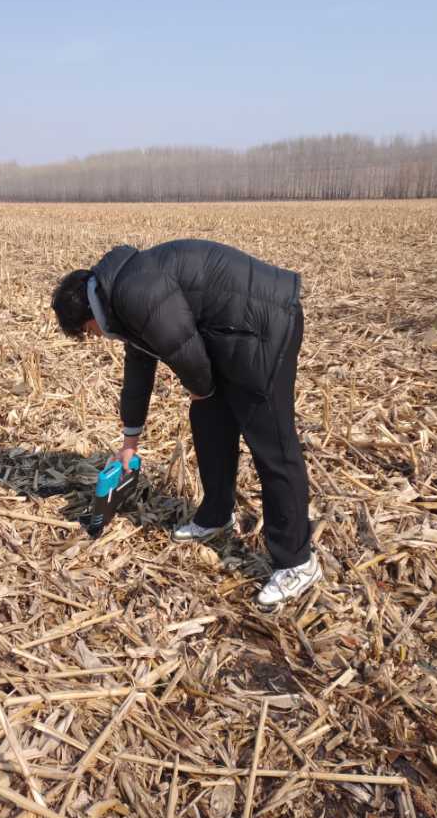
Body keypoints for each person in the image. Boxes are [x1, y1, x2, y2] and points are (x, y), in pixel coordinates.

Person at [51, 239, 322, 608]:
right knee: (207, 418)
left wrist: (201, 388)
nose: (95, 338)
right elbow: (140, 366)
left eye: (88, 332)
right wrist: (130, 441)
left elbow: (187, 353)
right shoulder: (118, 296)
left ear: (88, 317)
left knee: (272, 444)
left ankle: (296, 561)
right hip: (231, 331)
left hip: (263, 324)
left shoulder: (134, 292)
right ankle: (216, 514)